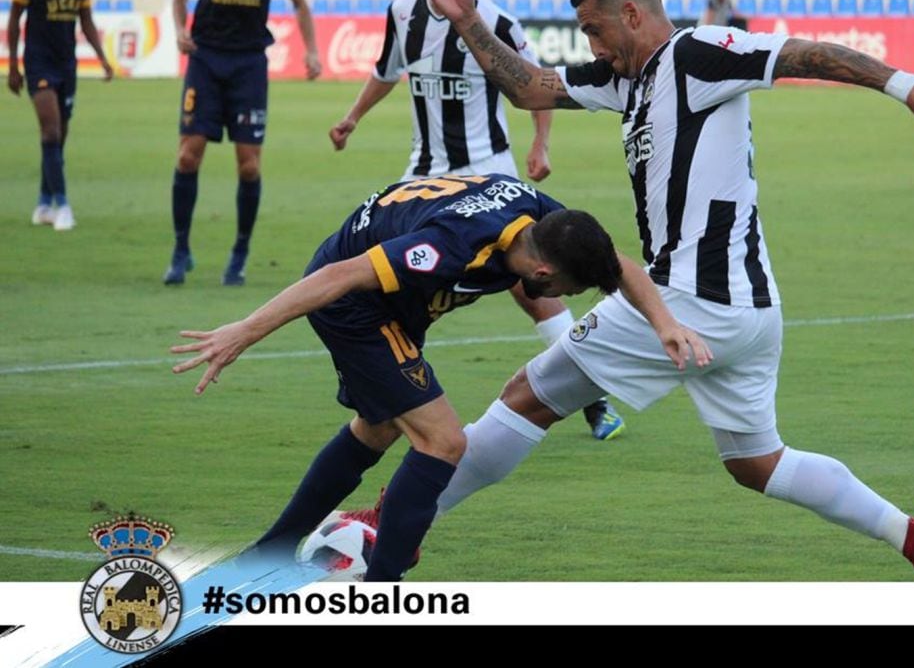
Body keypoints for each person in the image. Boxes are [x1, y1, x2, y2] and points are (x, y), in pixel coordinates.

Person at [412, 0, 914, 580]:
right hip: (748, 311)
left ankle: (392, 525)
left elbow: (804, 55)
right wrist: (465, 16)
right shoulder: (624, 78)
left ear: (632, 14)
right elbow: (527, 87)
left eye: (596, 30)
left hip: (692, 297)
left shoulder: (699, 52)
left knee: (526, 398)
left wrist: (908, 87)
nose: (593, 47)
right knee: (756, 462)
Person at [171, 173, 709, 581]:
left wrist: (665, 324)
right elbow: (337, 277)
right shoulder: (453, 246)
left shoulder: (544, 219)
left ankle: (269, 552)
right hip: (356, 303)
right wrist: (244, 330)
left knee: (379, 427)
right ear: (543, 272)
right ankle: (384, 587)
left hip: (401, 304)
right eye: (568, 290)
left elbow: (619, 266)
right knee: (443, 440)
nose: (566, 299)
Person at [328, 0, 625, 441]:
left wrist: (540, 144)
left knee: (532, 290)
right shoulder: (403, 12)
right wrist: (353, 117)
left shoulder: (498, 23)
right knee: (390, 286)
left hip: (489, 175)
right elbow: (386, 70)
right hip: (424, 179)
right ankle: (383, 401)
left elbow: (536, 82)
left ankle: (594, 401)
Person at [164, 0, 321, 287]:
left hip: (248, 65)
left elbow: (300, 3)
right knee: (187, 156)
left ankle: (240, 252)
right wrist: (180, 29)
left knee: (249, 165)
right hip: (204, 61)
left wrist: (311, 49)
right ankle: (180, 249)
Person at [6, 0, 113, 231]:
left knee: (59, 136)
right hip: (39, 62)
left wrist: (102, 57)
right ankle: (63, 206)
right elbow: (15, 17)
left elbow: (86, 19)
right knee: (51, 130)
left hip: (66, 63)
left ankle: (43, 204)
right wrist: (14, 66)